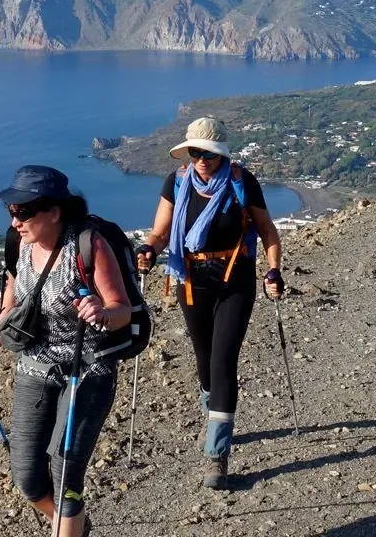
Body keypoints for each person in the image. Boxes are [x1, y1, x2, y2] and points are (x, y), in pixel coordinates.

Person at [0, 165, 133, 537]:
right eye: (12, 211)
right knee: (27, 478)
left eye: (24, 211)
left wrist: (103, 313)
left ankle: (68, 524)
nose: (15, 220)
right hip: (35, 367)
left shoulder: (88, 246)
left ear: (54, 212)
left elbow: (123, 310)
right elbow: (10, 309)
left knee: (65, 470)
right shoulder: (18, 243)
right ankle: (75, 526)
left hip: (87, 368)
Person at [134, 117, 285, 489]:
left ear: (222, 155)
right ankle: (216, 415)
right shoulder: (177, 182)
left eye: (209, 154)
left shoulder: (241, 182)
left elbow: (267, 231)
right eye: (196, 152)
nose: (202, 160)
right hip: (192, 282)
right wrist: (149, 249)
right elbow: (161, 232)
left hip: (235, 281)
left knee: (222, 361)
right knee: (204, 361)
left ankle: (217, 454)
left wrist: (273, 270)